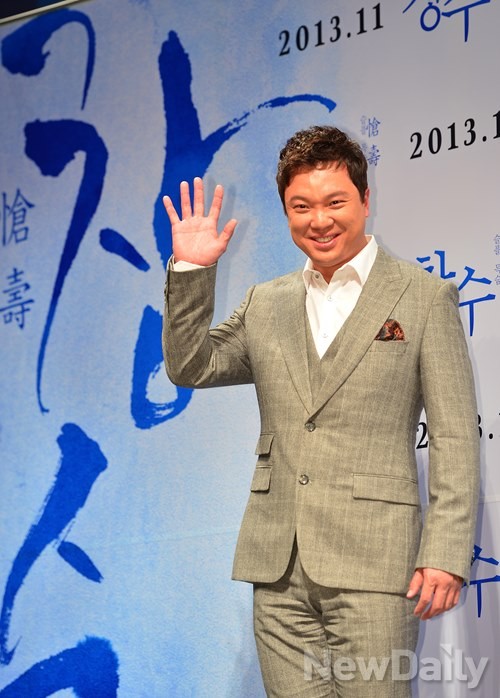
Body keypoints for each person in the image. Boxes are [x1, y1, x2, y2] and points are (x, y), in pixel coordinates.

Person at [162, 125, 480, 697]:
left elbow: (455, 436)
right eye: (301, 206)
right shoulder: (265, 302)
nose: (319, 220)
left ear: (365, 199)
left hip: (377, 563)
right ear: (286, 211)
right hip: (276, 566)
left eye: (335, 202)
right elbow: (191, 367)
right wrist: (191, 271)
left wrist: (446, 554)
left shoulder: (424, 297)